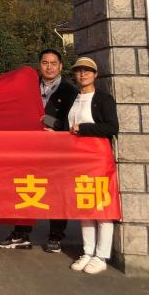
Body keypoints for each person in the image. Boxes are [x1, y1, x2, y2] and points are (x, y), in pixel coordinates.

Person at [0, 48, 78, 252]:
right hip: (29, 149)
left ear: (60, 66)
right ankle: (21, 233)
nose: (49, 67)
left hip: (57, 149)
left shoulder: (70, 91)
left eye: (53, 63)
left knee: (57, 192)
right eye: (45, 63)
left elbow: (72, 121)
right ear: (39, 65)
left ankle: (55, 236)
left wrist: (50, 123)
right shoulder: (29, 86)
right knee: (26, 188)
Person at [66, 56, 118, 274]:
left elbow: (112, 127)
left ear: (95, 74)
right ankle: (88, 251)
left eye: (87, 70)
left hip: (98, 159)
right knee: (85, 205)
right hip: (79, 160)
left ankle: (101, 255)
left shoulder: (103, 99)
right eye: (79, 71)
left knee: (102, 207)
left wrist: (84, 129)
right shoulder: (74, 98)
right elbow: (68, 126)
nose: (83, 74)